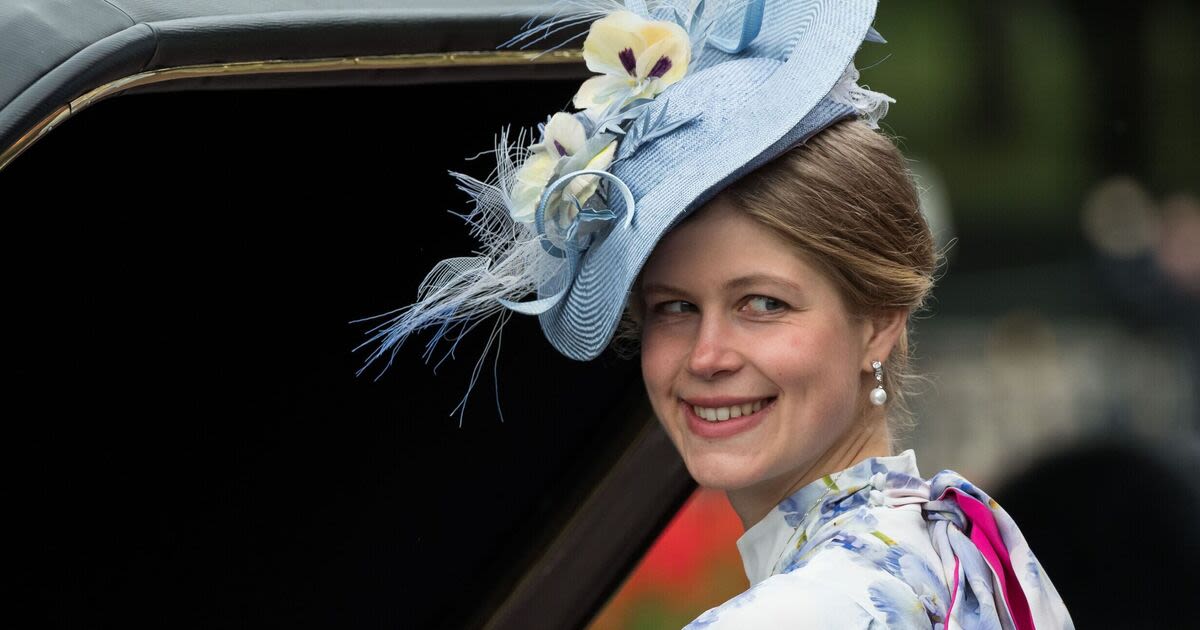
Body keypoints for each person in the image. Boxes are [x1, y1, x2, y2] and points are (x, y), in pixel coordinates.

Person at [359, 0, 1075, 627]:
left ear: (880, 319)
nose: (707, 355)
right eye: (674, 307)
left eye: (762, 304)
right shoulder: (959, 544)